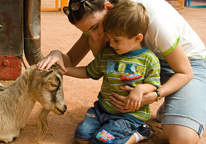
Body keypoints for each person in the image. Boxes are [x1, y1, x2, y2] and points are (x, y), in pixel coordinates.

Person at [37, 0, 206, 143]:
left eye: (95, 27)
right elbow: (71, 61)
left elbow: (185, 72)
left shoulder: (152, 19)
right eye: (87, 31)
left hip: (186, 64)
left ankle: (179, 102)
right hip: (141, 65)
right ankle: (173, 106)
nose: (94, 36)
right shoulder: (100, 24)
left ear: (108, 7)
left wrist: (155, 94)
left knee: (182, 138)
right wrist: (57, 54)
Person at [60, 1, 160, 143]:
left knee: (102, 141)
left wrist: (141, 88)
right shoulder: (107, 54)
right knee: (81, 136)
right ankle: (109, 127)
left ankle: (139, 133)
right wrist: (65, 70)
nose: (111, 44)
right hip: (102, 110)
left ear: (137, 38)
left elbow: (154, 84)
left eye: (116, 40)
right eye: (110, 38)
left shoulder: (149, 59)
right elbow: (89, 71)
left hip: (128, 116)